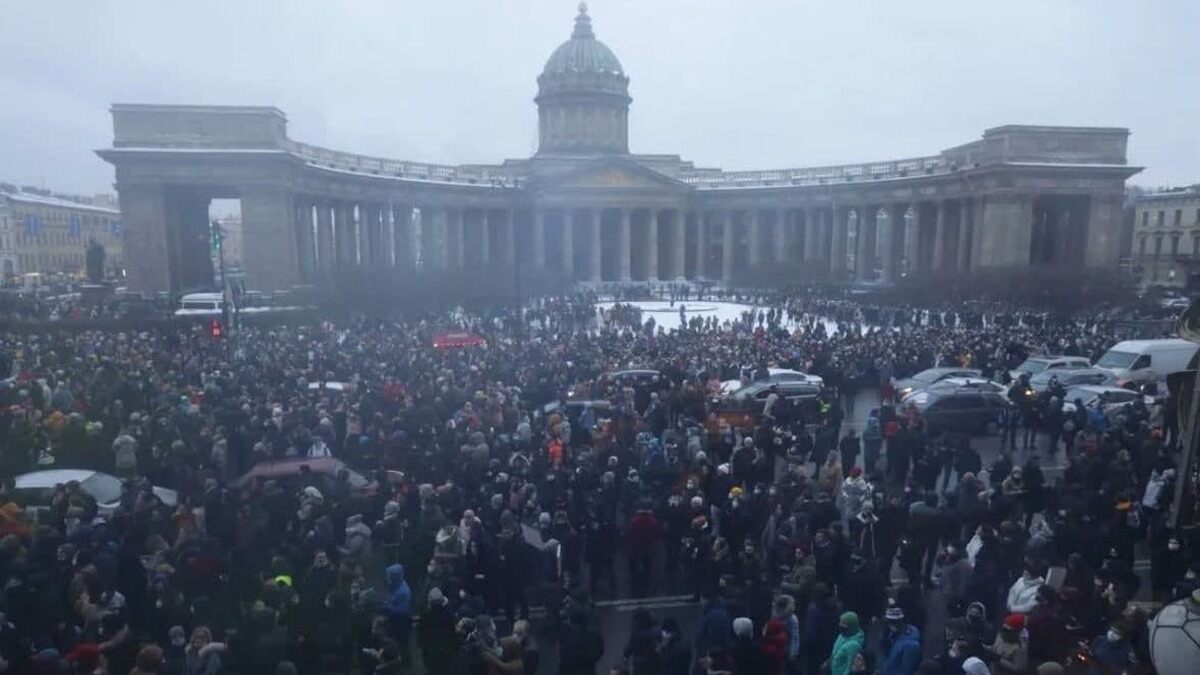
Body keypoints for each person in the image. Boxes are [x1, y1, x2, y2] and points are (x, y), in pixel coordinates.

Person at [882, 605, 922, 675]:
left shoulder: (911, 645)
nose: (890, 625)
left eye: (893, 622)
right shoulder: (893, 636)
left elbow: (906, 670)